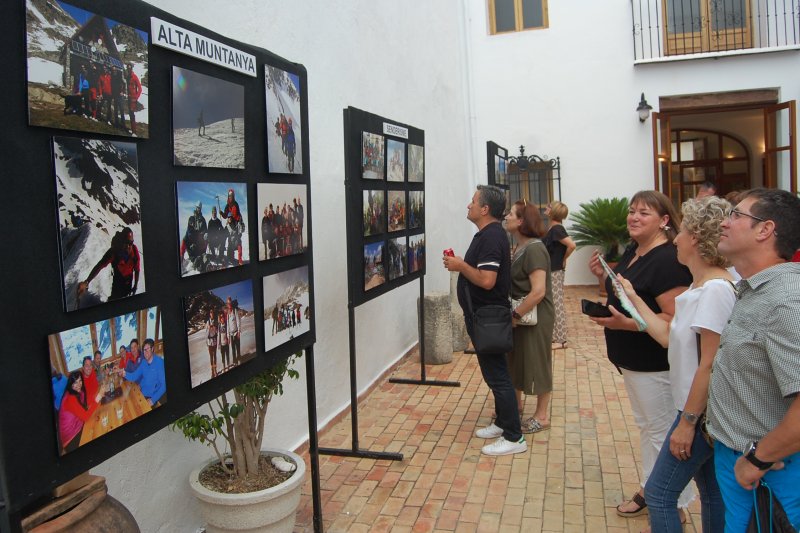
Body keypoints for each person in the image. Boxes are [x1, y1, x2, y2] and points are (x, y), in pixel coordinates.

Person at [619, 197, 735, 533]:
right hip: (696, 414)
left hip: (699, 416)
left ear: (695, 239)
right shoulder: (701, 287)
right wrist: (632, 297)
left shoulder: (715, 291)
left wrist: (687, 422)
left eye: (681, 232)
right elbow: (666, 337)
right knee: (711, 492)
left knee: (658, 495)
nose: (676, 239)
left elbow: (710, 364)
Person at [587, 190, 693, 518]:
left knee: (661, 433)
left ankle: (673, 507)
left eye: (644, 213)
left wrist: (626, 325)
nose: (633, 217)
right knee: (649, 428)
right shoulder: (635, 250)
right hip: (634, 363)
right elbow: (629, 295)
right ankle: (652, 490)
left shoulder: (669, 260)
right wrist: (602, 278)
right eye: (632, 211)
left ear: (664, 221)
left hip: (655, 365)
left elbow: (673, 321)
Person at [706, 188, 800, 531]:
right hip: (743, 464)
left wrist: (758, 459)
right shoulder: (756, 290)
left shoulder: (785, 302)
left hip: (771, 475)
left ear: (765, 229)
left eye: (735, 215)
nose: (724, 222)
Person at [444, 185, 527, 456]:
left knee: (498, 376)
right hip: (482, 316)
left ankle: (514, 437)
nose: (468, 205)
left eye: (473, 201)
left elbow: (487, 280)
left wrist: (460, 265)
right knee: (494, 374)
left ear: (485, 209)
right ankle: (502, 423)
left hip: (488, 317)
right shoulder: (488, 234)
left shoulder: (491, 237)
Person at [505, 200, 555, 434]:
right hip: (523, 314)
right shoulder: (519, 246)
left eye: (511, 214)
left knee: (537, 361)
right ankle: (515, 405)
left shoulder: (534, 248)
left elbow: (538, 291)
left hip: (536, 315)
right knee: (517, 360)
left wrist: (515, 314)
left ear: (521, 221)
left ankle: (542, 416)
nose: (506, 217)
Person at [543, 201, 577, 350]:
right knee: (553, 303)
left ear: (553, 211)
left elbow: (572, 245)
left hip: (555, 271)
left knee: (557, 304)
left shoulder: (557, 229)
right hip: (552, 270)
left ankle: (561, 340)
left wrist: (563, 259)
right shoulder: (553, 228)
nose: (546, 208)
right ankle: (555, 336)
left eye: (549, 207)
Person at [77, 227, 140, 302]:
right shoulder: (114, 252)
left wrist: (135, 286)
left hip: (128, 281)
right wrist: (87, 282)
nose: (128, 246)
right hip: (117, 279)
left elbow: (137, 270)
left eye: (130, 243)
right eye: (126, 242)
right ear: (121, 241)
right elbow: (100, 266)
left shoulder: (134, 251)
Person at [58, 371, 103, 453]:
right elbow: (85, 417)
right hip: (71, 438)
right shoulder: (70, 398)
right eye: (75, 382)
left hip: (78, 426)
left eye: (80, 381)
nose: (79, 384)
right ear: (70, 384)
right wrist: (99, 396)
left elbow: (87, 401)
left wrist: (99, 395)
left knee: (98, 425)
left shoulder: (79, 391)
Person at [120, 338, 166, 407]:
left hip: (152, 396)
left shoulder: (159, 363)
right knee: (128, 403)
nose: (145, 352)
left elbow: (164, 385)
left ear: (152, 349)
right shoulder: (144, 362)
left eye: (147, 349)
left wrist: (153, 400)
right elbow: (134, 376)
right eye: (144, 350)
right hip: (142, 392)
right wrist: (124, 373)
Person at [219, 189, 244, 265]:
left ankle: (239, 260)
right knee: (229, 241)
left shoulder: (236, 204)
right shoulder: (227, 205)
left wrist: (239, 225)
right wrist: (222, 213)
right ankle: (227, 257)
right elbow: (225, 215)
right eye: (229, 195)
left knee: (237, 242)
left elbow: (238, 215)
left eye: (232, 195)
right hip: (230, 225)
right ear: (228, 196)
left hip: (235, 225)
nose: (230, 197)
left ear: (233, 196)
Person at [225, 297, 242, 366]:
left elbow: (238, 321)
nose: (229, 304)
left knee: (238, 347)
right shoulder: (228, 314)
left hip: (236, 333)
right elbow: (228, 326)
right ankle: (235, 361)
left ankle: (239, 359)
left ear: (231, 303)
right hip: (231, 335)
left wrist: (239, 331)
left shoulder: (235, 311)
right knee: (233, 349)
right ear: (227, 304)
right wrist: (228, 336)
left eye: (230, 302)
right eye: (228, 303)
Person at [125, 63, 141, 135]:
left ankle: (134, 132)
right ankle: (133, 130)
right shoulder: (128, 77)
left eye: (130, 68)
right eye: (128, 68)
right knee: (130, 113)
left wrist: (136, 97)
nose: (129, 70)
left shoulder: (134, 77)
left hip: (133, 98)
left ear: (131, 69)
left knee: (132, 113)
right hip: (129, 97)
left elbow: (140, 88)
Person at [206, 309, 219, 377]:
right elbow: (206, 334)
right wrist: (209, 328)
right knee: (211, 357)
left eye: (213, 313)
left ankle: (215, 370)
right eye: (211, 313)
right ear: (210, 314)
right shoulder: (207, 322)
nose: (212, 314)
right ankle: (212, 371)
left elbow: (217, 332)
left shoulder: (216, 322)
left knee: (215, 356)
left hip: (214, 341)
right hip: (209, 342)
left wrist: (215, 328)